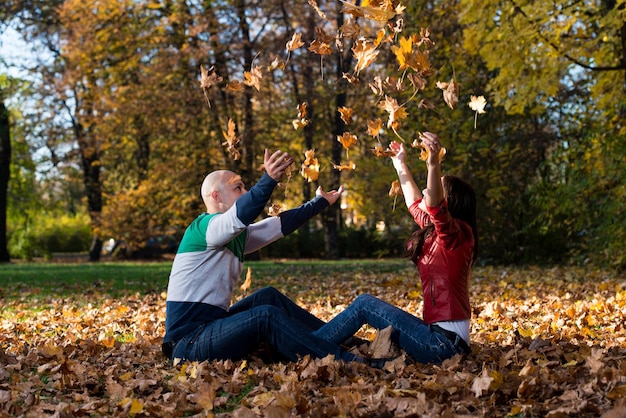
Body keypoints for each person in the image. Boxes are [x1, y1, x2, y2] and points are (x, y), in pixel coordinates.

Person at [162, 149, 382, 367]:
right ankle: (353, 362)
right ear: (216, 196)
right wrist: (269, 179)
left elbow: (276, 226)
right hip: (188, 342)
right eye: (238, 187)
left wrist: (319, 202)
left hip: (211, 327)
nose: (245, 191)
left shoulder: (234, 235)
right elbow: (242, 212)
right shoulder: (204, 228)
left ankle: (342, 340)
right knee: (264, 316)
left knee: (268, 297)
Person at [312, 132, 478, 364]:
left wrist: (433, 163)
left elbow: (434, 205)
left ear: (451, 201)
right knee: (364, 314)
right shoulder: (439, 233)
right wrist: (399, 162)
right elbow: (414, 203)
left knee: (364, 304)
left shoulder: (457, 235)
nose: (429, 189)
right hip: (440, 339)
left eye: (438, 187)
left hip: (444, 345)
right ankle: (312, 340)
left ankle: (305, 346)